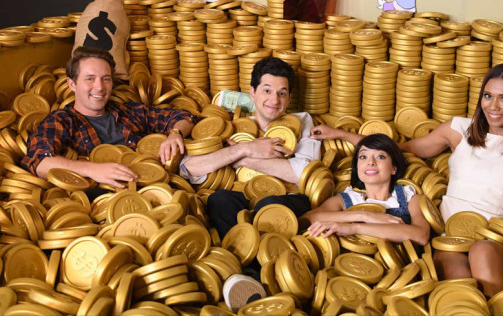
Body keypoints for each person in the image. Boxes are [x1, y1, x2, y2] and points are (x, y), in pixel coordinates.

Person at [311, 63, 503, 297]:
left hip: (496, 242)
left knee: (481, 250)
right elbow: (398, 151)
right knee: (460, 289)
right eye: (488, 96)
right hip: (447, 239)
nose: (493, 106)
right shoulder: (458, 130)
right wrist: (342, 135)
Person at [180, 56, 321, 312]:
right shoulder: (230, 126)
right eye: (267, 90)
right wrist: (246, 148)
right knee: (219, 200)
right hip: (241, 199)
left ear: (289, 99)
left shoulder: (303, 121)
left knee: (270, 203)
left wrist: (247, 158)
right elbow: (189, 168)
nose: (274, 100)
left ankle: (267, 280)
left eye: (282, 93)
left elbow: (303, 173)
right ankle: (247, 278)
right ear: (252, 92)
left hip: (286, 200)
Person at [21, 46, 196, 197]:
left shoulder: (128, 112)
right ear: (72, 84)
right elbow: (39, 161)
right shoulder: (61, 120)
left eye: (106, 79)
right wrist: (93, 169)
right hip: (105, 198)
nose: (99, 87)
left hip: (154, 185)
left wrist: (175, 133)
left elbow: (186, 117)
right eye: (90, 79)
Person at [301, 133, 430, 246]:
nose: (370, 162)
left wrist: (355, 227)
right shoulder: (345, 199)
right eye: (363, 157)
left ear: (393, 168)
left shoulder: (410, 199)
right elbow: (307, 219)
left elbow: (421, 236)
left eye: (380, 156)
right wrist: (364, 215)